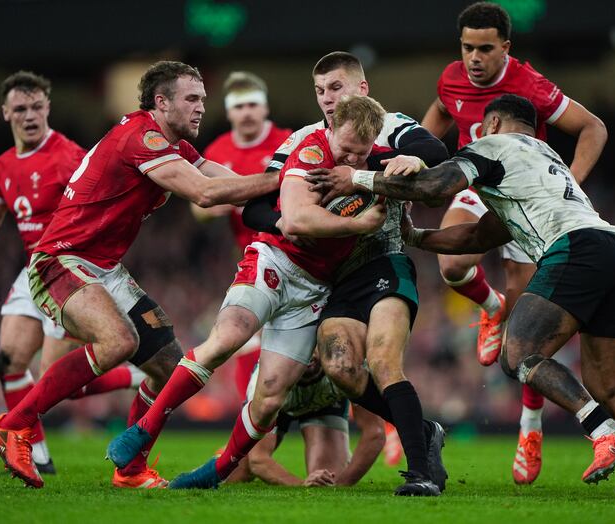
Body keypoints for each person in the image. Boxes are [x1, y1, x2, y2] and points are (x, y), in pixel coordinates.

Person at [306, 94, 615, 500]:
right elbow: (481, 234)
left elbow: (435, 187)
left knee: (518, 354)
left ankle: (603, 430)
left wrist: (357, 178)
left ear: (491, 123)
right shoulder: (545, 160)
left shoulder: (490, 147)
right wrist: (418, 237)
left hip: (576, 250)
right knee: (611, 386)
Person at [0, 61, 280, 489]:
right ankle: (15, 423)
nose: (200, 108)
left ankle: (131, 468)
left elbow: (218, 174)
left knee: (171, 370)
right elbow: (205, 192)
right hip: (61, 260)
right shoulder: (141, 137)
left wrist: (278, 186)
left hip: (104, 269)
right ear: (162, 102)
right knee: (118, 340)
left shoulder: (171, 142)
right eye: (191, 99)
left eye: (202, 99)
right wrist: (279, 179)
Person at [105, 95, 387, 493]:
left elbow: (424, 160)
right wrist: (359, 225)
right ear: (329, 131)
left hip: (316, 289)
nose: (354, 162)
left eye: (363, 153)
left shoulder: (373, 160)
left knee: (271, 397)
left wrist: (413, 161)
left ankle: (215, 473)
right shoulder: (309, 149)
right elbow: (295, 222)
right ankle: (145, 431)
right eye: (346, 150)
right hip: (274, 261)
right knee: (225, 339)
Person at [242, 51, 450, 495]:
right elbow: (257, 205)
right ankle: (424, 431)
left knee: (382, 358)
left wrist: (361, 173)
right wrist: (288, 223)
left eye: (336, 88)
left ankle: (421, 473)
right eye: (320, 91)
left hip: (385, 259)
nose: (327, 99)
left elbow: (433, 153)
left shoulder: (391, 124)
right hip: (334, 278)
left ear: (362, 88)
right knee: (340, 368)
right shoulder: (304, 137)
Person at [420, 1, 608, 484]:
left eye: (485, 48)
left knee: (529, 337)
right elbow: (442, 111)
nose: (474, 58)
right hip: (479, 188)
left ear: (506, 47)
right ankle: (490, 305)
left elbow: (593, 128)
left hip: (526, 198)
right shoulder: (451, 77)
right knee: (452, 266)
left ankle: (530, 426)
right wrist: (416, 150)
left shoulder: (531, 85)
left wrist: (572, 183)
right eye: (467, 48)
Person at [0, 71, 143, 475]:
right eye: (21, 108)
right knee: (9, 361)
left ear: (48, 107)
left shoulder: (72, 157)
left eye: (37, 106)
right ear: (6, 114)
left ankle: (133, 375)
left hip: (69, 270)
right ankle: (34, 452)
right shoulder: (2, 167)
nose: (30, 115)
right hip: (33, 269)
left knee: (57, 382)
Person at [193, 71, 293, 400]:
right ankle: (250, 430)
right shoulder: (217, 150)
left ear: (265, 108)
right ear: (229, 112)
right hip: (253, 258)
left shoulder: (288, 140)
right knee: (244, 342)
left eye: (253, 104)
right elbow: (198, 205)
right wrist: (212, 207)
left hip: (294, 254)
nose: (247, 112)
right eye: (240, 106)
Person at [225, 354, 385, 487]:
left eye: (312, 342)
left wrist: (341, 484)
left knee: (327, 479)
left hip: (324, 405)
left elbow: (374, 433)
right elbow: (258, 460)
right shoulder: (267, 377)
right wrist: (301, 484)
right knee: (239, 471)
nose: (308, 352)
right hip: (278, 400)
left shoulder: (348, 365)